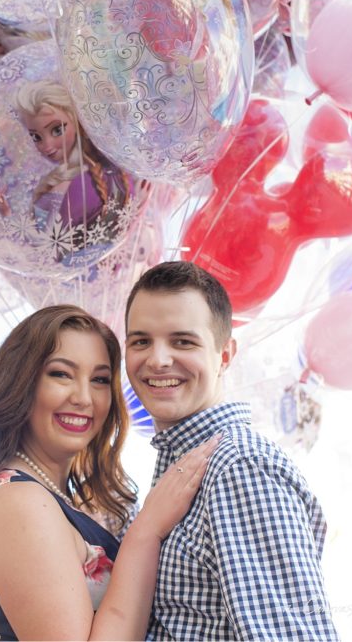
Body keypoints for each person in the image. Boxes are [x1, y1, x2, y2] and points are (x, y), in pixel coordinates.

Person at [0, 305, 220, 640]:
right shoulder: (19, 502)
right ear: (21, 381)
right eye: (61, 374)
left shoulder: (45, 494)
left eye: (99, 380)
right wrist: (148, 531)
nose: (84, 398)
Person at [123, 261, 339, 640]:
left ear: (225, 355)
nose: (157, 360)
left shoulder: (238, 467)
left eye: (182, 341)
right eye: (141, 341)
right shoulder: (186, 460)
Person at [14, 81, 131, 238]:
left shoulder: (75, 184)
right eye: (36, 137)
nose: (47, 146)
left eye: (57, 130)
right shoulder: (107, 170)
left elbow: (47, 244)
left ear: (77, 121)